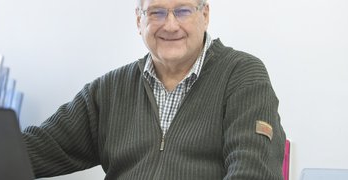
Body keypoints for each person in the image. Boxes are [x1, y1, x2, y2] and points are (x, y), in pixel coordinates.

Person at [22, 0, 286, 179]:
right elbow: (33, 150)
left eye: (182, 10)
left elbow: (252, 171)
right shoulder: (109, 91)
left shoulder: (242, 75)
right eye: (156, 12)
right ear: (139, 20)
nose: (170, 25)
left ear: (204, 16)